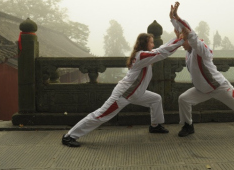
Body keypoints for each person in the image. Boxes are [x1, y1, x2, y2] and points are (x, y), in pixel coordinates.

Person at [62, 9, 184, 147]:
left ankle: (155, 126)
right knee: (101, 115)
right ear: (145, 44)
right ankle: (69, 136)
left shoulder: (144, 55)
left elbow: (161, 49)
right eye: (151, 43)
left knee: (155, 99)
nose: (153, 45)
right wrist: (182, 40)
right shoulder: (142, 56)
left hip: (135, 93)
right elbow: (162, 53)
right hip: (124, 94)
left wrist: (177, 39)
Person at [170, 2, 234, 138]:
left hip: (219, 87)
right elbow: (181, 32)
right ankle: (188, 126)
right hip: (202, 89)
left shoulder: (200, 48)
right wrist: (172, 19)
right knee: (183, 99)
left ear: (189, 40)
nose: (180, 44)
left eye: (182, 41)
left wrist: (178, 18)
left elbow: (190, 34)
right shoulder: (188, 52)